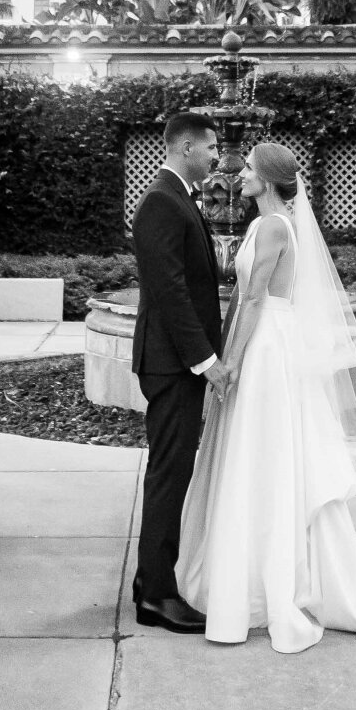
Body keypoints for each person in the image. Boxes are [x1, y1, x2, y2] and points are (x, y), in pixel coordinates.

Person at [175, 140, 356, 651]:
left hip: (265, 348)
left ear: (266, 178)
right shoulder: (276, 225)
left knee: (260, 454)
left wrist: (231, 362)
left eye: (247, 172)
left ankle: (267, 581)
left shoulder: (271, 226)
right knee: (271, 452)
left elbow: (257, 297)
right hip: (271, 341)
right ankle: (272, 568)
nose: (237, 176)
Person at [128, 109, 233, 633]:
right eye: (211, 147)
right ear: (186, 147)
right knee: (171, 475)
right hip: (172, 365)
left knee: (172, 472)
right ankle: (159, 598)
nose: (217, 156)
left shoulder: (176, 199)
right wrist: (206, 361)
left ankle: (150, 581)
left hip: (174, 363)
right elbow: (168, 291)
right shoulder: (160, 203)